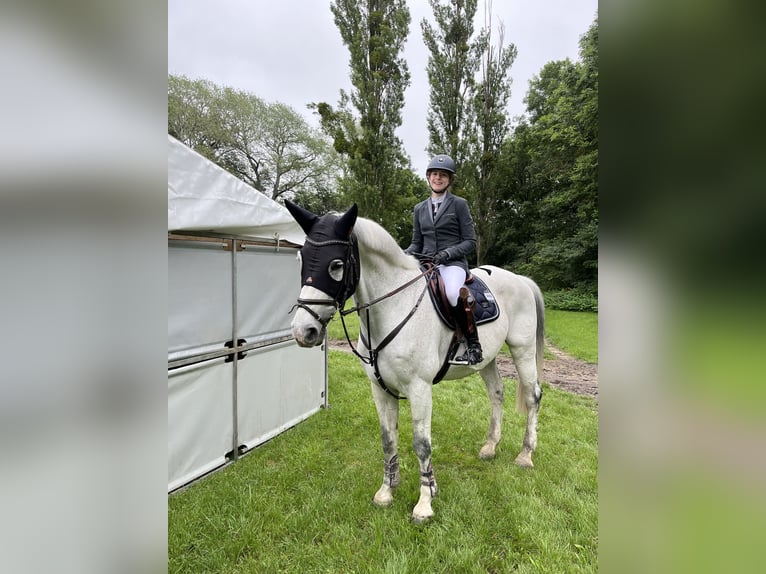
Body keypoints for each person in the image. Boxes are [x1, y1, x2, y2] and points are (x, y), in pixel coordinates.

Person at [404, 154, 483, 365]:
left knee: (451, 293)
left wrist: (448, 254)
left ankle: (473, 344)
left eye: (443, 175)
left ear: (449, 180)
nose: (438, 178)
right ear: (429, 177)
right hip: (426, 263)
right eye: (435, 174)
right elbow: (416, 243)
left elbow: (470, 241)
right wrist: (401, 254)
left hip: (452, 264)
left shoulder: (459, 204)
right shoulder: (419, 208)